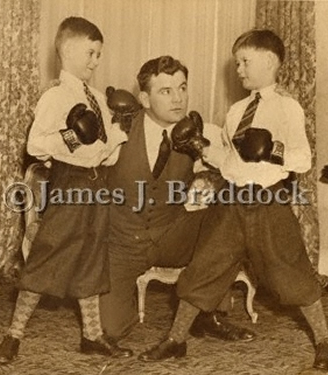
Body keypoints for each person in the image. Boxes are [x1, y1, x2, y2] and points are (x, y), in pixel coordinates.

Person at [0, 16, 132, 364]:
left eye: (99, 54)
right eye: (90, 52)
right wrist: (72, 135)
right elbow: (36, 145)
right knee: (47, 257)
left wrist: (119, 131)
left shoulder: (99, 98)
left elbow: (109, 156)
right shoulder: (55, 96)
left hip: (100, 186)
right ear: (67, 50)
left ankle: (93, 337)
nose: (96, 61)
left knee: (91, 260)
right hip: (70, 184)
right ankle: (13, 336)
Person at [195, 29, 328, 371]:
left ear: (269, 62)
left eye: (245, 61)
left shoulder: (288, 108)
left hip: (268, 200)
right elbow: (229, 161)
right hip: (231, 198)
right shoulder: (235, 111)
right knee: (206, 266)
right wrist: (199, 147)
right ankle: (175, 339)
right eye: (237, 62)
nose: (239, 69)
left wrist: (273, 150)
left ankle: (325, 341)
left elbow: (303, 159)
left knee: (293, 273)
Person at [100, 55, 256, 354]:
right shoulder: (119, 128)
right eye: (166, 91)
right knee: (112, 328)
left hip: (172, 232)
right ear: (144, 98)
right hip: (122, 240)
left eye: (182, 88)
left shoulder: (198, 132)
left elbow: (233, 174)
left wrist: (210, 172)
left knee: (230, 218)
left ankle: (208, 313)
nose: (178, 98)